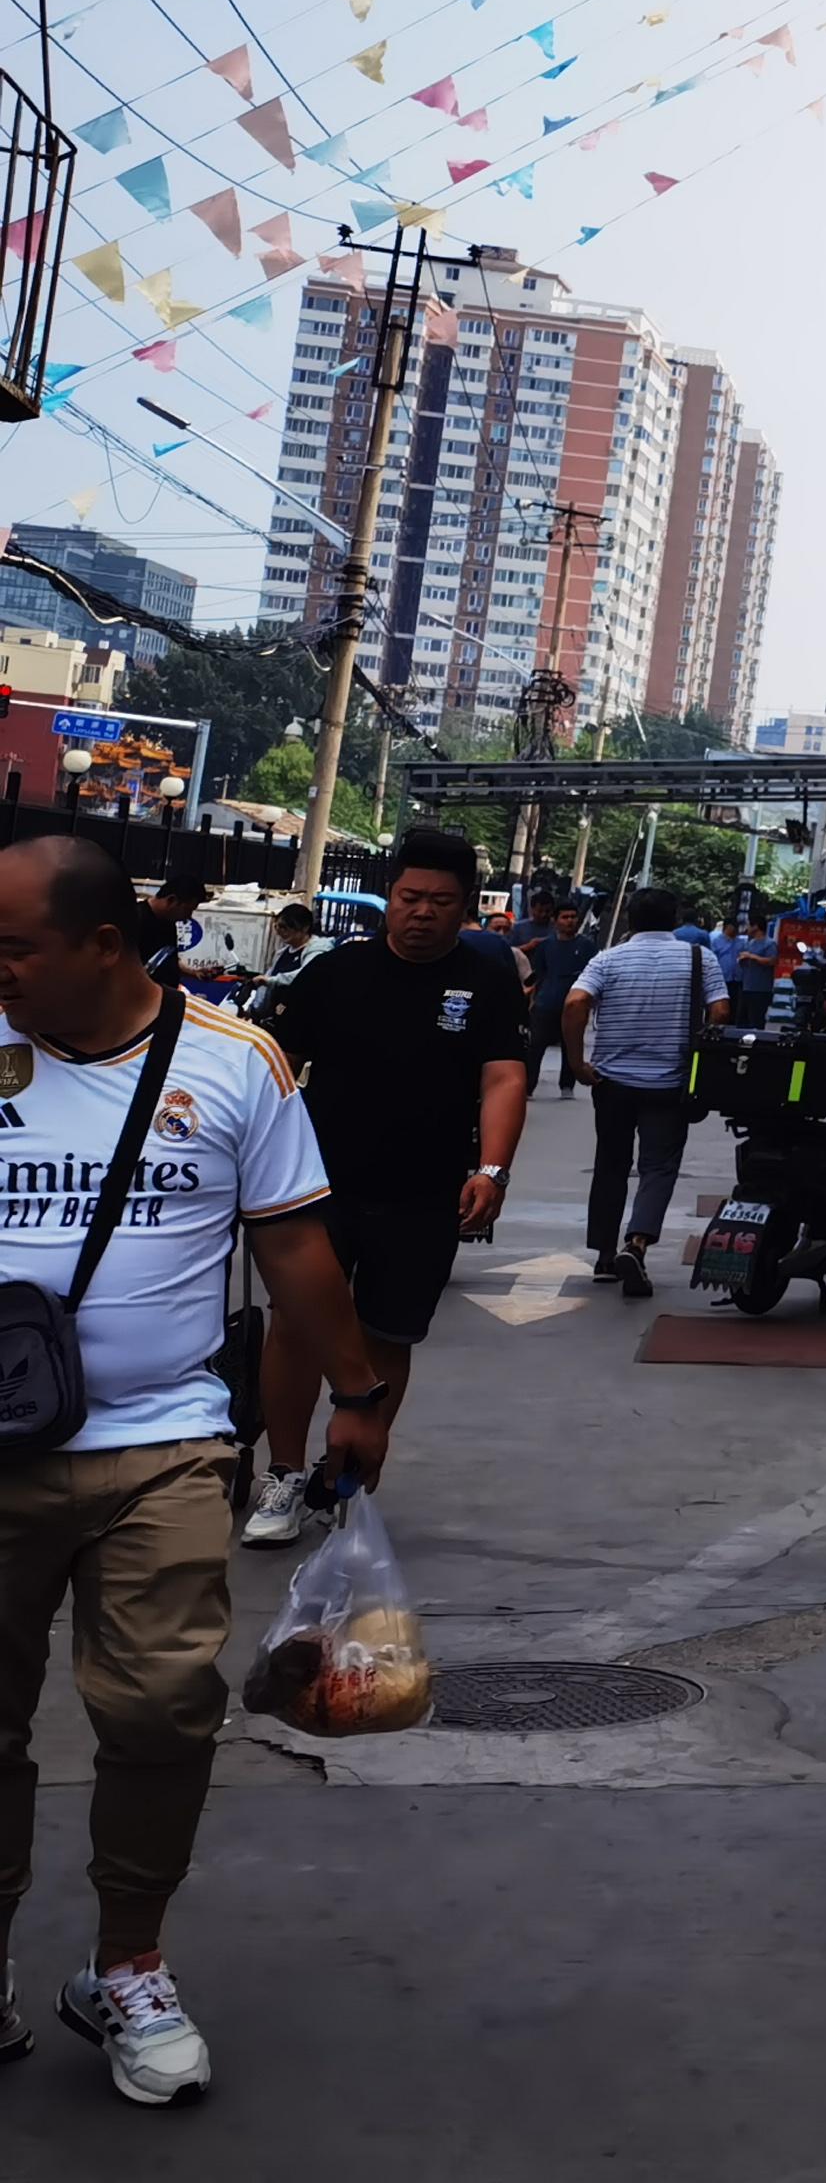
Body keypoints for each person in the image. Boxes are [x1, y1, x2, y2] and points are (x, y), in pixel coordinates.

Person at [0, 832, 394, 2103]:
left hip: (163, 1447)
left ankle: (128, 1963)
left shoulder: (234, 1064)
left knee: (162, 1709)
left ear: (104, 946)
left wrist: (358, 1393)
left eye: (14, 948)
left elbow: (292, 1251)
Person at [248, 830, 529, 1547]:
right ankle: (281, 1474)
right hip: (316, 1186)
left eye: (440, 902)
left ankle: (345, 1469)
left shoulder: (488, 981)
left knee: (387, 1334)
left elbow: (504, 1077)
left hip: (425, 1189)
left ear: (465, 907)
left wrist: (491, 1169)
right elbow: (278, 1067)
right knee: (295, 1324)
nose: (422, 913)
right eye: (409, 898)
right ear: (390, 899)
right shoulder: (335, 974)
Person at [561, 888, 724, 1300]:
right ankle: (636, 1243)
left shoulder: (608, 959)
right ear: (675, 920)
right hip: (670, 1083)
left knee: (611, 1164)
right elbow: (720, 1011)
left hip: (611, 1082)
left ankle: (602, 1256)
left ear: (630, 919)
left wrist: (578, 1063)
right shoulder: (698, 958)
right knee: (659, 1167)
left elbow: (575, 1004)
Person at [520, 892, 593, 1097]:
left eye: (573, 917)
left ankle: (567, 1086)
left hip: (574, 1004)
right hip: (545, 1004)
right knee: (535, 1048)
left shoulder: (586, 946)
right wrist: (532, 1002)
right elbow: (537, 976)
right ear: (556, 920)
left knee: (571, 1046)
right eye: (565, 917)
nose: (570, 921)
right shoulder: (545, 946)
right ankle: (528, 1087)